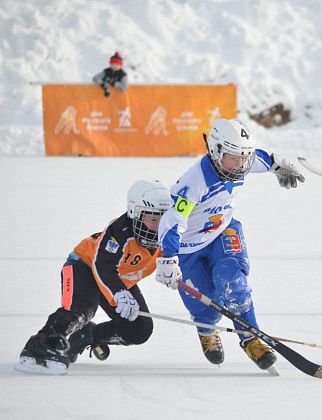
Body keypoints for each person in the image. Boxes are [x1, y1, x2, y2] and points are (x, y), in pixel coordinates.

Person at [155, 118, 305, 371]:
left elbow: (262, 158)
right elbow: (173, 221)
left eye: (244, 157)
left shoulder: (241, 162)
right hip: (187, 247)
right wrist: (167, 258)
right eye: (234, 158)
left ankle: (251, 339)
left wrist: (279, 165)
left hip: (222, 232)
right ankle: (206, 328)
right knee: (204, 302)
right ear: (216, 152)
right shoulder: (195, 182)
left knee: (233, 280)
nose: (241, 164)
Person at [16, 180, 172, 375]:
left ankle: (88, 335)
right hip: (85, 267)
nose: (159, 227)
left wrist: (175, 270)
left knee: (139, 329)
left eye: (164, 219)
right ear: (135, 213)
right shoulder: (120, 231)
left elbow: (183, 255)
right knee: (82, 310)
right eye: (153, 219)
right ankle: (41, 345)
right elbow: (103, 266)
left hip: (118, 280)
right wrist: (119, 294)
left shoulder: (169, 235)